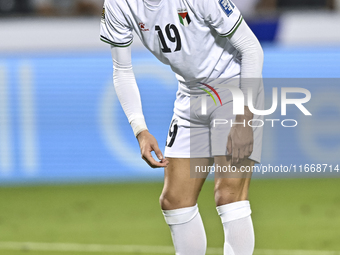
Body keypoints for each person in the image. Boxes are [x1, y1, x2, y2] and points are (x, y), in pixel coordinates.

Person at [100, 0, 264, 254]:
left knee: (228, 195)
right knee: (174, 201)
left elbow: (252, 49)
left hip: (234, 88)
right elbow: (121, 68)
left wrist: (244, 119)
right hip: (191, 94)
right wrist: (140, 129)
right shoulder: (118, 3)